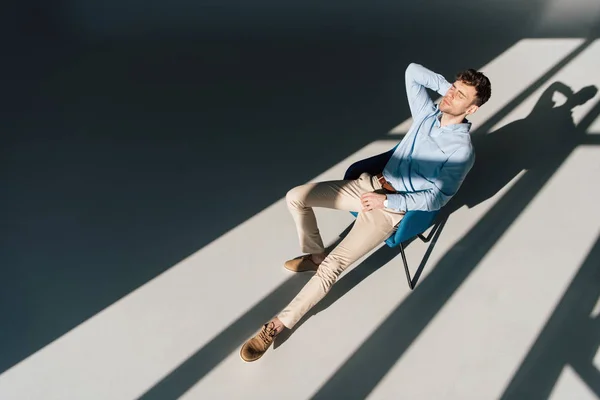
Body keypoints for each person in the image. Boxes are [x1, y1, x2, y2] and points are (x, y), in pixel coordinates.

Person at [240, 62, 492, 362]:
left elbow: (437, 199)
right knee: (296, 197)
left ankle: (277, 325)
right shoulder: (429, 113)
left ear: (473, 109)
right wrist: (448, 91)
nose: (450, 96)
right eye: (453, 87)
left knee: (332, 267)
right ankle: (314, 254)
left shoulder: (461, 150)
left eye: (461, 95)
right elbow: (412, 72)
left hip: (391, 210)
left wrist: (387, 203)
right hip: (368, 184)